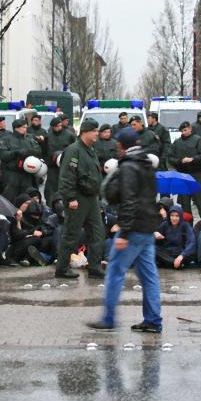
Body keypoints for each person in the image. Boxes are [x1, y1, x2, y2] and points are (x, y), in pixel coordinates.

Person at [87, 125, 161, 333]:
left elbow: (129, 200)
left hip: (133, 228)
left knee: (115, 271)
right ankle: (154, 320)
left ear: (120, 145)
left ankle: (109, 318)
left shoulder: (128, 167)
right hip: (147, 227)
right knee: (149, 276)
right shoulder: (147, 163)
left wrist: (124, 233)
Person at [54, 118, 105, 279]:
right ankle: (61, 268)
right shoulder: (74, 150)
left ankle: (95, 267)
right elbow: (67, 177)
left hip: (91, 199)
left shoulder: (90, 150)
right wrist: (70, 198)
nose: (97, 133)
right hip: (78, 198)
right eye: (94, 130)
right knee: (71, 234)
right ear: (85, 132)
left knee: (97, 233)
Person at [168, 121, 201, 215]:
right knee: (185, 204)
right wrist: (179, 161)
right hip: (183, 175)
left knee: (200, 202)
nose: (183, 132)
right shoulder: (177, 142)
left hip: (196, 174)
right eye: (182, 131)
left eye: (185, 130)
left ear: (190, 129)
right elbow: (170, 157)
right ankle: (187, 226)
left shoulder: (198, 140)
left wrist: (193, 159)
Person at [0, 118, 41, 202]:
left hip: (27, 174)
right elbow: (3, 155)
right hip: (11, 175)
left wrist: (30, 152)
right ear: (16, 128)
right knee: (9, 198)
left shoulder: (29, 139)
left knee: (27, 198)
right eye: (23, 127)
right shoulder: (6, 139)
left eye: (26, 127)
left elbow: (38, 151)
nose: (25, 129)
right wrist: (16, 153)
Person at [154, 204, 196, 269]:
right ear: (169, 216)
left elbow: (192, 242)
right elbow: (153, 238)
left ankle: (168, 263)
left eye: (177, 216)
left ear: (181, 216)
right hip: (166, 253)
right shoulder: (165, 224)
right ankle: (174, 263)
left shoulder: (185, 225)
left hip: (180, 253)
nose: (174, 218)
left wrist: (181, 256)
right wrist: (155, 234)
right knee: (152, 248)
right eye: (172, 215)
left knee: (191, 252)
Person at [44, 116, 75, 203]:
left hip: (67, 165)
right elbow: (44, 151)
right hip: (52, 166)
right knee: (51, 187)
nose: (59, 128)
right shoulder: (48, 136)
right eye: (57, 126)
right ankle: (51, 204)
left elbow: (76, 149)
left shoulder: (69, 135)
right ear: (53, 127)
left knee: (66, 185)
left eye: (60, 125)